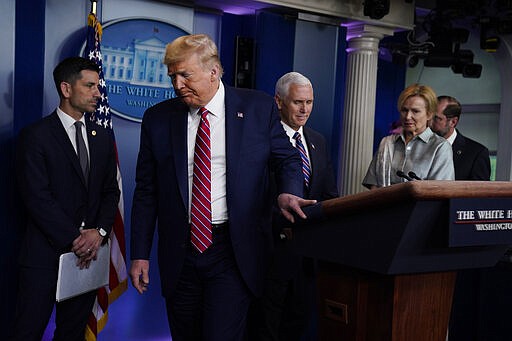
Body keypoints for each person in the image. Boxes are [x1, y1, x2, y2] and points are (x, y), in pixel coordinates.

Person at [129, 34, 315, 341]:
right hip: (181, 252)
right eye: (172, 76)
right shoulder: (158, 119)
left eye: (185, 75)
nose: (177, 85)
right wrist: (139, 254)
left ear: (214, 71)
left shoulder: (257, 109)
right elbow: (147, 191)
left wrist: (287, 191)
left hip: (233, 250)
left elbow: (287, 160)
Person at [11, 57, 120, 341]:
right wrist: (77, 239)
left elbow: (111, 192)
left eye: (98, 86)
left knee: (72, 334)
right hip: (44, 259)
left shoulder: (102, 137)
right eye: (90, 86)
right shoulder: (35, 136)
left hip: (87, 260)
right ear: (66, 89)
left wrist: (99, 233)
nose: (98, 93)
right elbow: (36, 197)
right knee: (27, 331)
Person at [250, 72, 339, 340]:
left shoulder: (318, 141)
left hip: (306, 258)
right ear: (279, 101)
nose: (304, 109)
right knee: (264, 330)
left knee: (297, 327)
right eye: (298, 102)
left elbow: (328, 194)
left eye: (309, 102)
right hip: (269, 256)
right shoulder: (258, 140)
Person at [363, 83, 454, 188]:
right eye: (404, 110)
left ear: (429, 114)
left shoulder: (440, 147)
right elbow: (373, 185)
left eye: (415, 111)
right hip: (384, 204)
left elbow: (440, 190)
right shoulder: (387, 143)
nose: (407, 116)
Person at [431, 95, 491, 180]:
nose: (429, 123)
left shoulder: (476, 153)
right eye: (429, 117)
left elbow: (480, 192)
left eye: (436, 118)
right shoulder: (420, 145)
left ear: (453, 122)